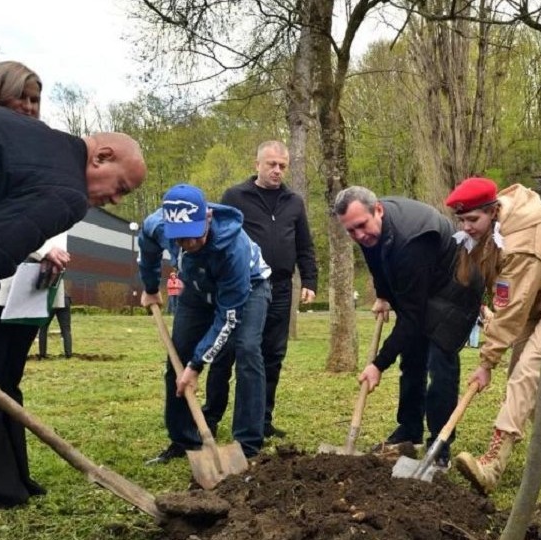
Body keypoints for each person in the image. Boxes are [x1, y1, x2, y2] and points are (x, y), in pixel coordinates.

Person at [0, 101, 145, 540]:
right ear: (101, 156)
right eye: (121, 188)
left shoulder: (30, 142)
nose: (116, 200)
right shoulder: (66, 189)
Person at [443, 178, 541, 495]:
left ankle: (493, 463)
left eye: (473, 219)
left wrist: (487, 362)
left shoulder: (520, 242)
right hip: (535, 297)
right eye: (462, 220)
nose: (466, 227)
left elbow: (511, 308)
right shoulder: (489, 232)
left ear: (493, 211)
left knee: (526, 373)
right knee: (524, 379)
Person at [0, 61, 64, 511]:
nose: (28, 106)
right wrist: (37, 251)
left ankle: (16, 474)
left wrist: (51, 253)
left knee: (11, 381)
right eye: (20, 97)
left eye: (34, 99)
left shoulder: (42, 150)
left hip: (31, 287)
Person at [334, 186, 483, 467]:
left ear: (378, 210)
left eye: (362, 226)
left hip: (456, 287)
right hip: (424, 281)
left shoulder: (412, 241)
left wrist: (378, 364)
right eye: (351, 231)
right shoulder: (368, 230)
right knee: (411, 358)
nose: (359, 235)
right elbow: (376, 261)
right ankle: (409, 430)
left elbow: (412, 317)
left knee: (440, 363)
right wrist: (382, 295)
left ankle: (439, 445)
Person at [139, 184, 271, 463]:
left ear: (208, 217)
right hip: (197, 289)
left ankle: (247, 445)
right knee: (178, 356)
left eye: (194, 235)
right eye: (180, 239)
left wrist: (197, 365)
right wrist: (150, 287)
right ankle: (185, 441)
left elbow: (228, 317)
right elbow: (147, 245)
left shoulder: (233, 249)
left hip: (249, 288)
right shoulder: (157, 226)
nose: (188, 244)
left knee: (247, 349)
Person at [212, 140, 318, 439]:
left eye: (283, 166)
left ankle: (262, 420)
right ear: (257, 164)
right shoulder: (235, 197)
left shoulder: (294, 202)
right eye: (271, 164)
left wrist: (309, 281)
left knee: (272, 355)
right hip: (243, 286)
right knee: (228, 352)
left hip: (281, 288)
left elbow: (304, 245)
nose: (277, 170)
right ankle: (211, 417)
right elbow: (218, 239)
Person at [39, 294, 73, 359]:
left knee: (43, 328)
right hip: (64, 299)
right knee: (66, 329)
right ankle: (68, 354)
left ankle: (42, 354)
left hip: (50, 299)